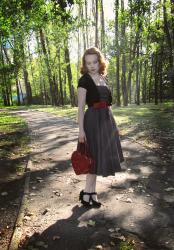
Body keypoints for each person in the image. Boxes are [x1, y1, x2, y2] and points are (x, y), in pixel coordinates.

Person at [77, 47, 124, 208]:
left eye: (94, 62)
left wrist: (113, 126)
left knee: (97, 160)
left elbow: (109, 104)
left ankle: (90, 192)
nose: (91, 66)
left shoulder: (104, 78)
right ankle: (88, 193)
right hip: (92, 122)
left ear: (100, 62)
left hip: (106, 122)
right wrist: (81, 131)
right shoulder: (84, 81)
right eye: (88, 63)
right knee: (92, 159)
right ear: (85, 64)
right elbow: (81, 108)